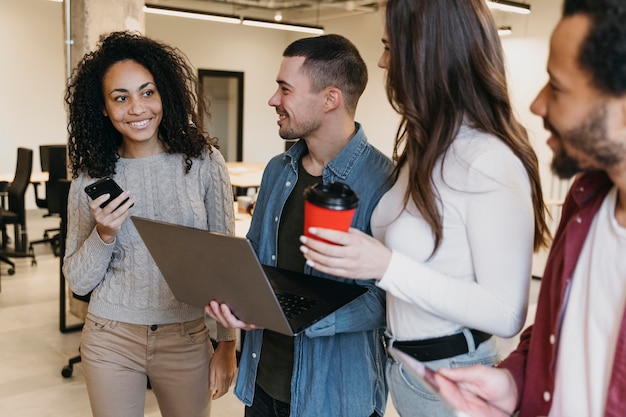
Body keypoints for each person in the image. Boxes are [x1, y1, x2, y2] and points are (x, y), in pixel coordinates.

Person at [297, 1, 551, 416]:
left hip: (457, 375)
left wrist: (386, 265)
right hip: (407, 373)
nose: (381, 62)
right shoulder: (425, 147)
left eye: (389, 47)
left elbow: (506, 314)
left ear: (427, 53)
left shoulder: (487, 157)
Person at [433, 1, 626, 416]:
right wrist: (514, 382)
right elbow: (563, 331)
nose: (537, 105)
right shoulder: (585, 202)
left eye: (556, 87)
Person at [206, 34, 393, 417]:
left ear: (330, 99)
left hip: (336, 397)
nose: (273, 99)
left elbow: (388, 303)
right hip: (262, 385)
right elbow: (256, 261)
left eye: (284, 89)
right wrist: (236, 300)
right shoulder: (279, 169)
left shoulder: (385, 181)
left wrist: (297, 314)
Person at [62, 31, 237, 417]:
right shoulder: (89, 178)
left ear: (165, 96)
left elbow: (225, 263)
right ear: (104, 109)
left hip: (187, 334)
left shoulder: (204, 163)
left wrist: (226, 345)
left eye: (147, 92)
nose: (137, 108)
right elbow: (77, 281)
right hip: (111, 336)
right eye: (120, 98)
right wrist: (104, 236)